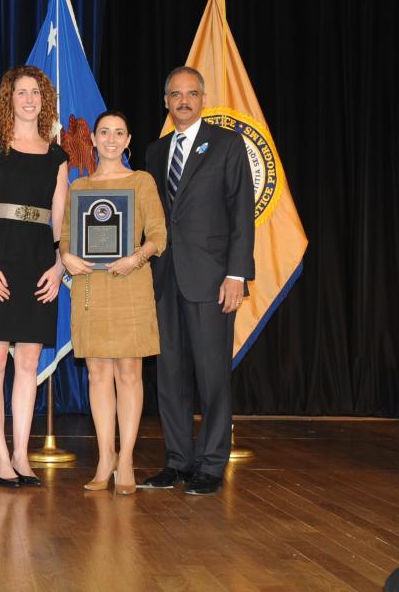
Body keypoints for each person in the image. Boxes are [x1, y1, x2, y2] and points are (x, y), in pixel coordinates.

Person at [142, 66, 255, 495]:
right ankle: (177, 461)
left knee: (211, 376)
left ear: (203, 99)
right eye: (175, 94)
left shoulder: (227, 144)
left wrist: (236, 274)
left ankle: (210, 464)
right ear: (166, 102)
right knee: (169, 375)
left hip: (211, 278)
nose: (183, 101)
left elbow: (242, 213)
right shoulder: (155, 151)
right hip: (163, 278)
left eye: (191, 93)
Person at [60, 111, 166, 495]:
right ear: (93, 139)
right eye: (104, 132)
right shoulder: (79, 186)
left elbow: (158, 234)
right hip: (91, 289)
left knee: (130, 374)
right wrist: (67, 256)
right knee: (98, 374)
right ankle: (105, 457)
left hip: (131, 284)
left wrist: (135, 258)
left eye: (118, 133)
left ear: (128, 140)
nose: (110, 139)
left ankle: (126, 460)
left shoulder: (141, 182)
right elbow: (67, 237)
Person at [0, 66, 69, 488]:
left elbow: (61, 221)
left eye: (35, 92)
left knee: (29, 362)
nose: (28, 99)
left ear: (44, 100)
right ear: (8, 100)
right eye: (20, 92)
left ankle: (20, 453)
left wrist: (60, 264)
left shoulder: (58, 156)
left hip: (38, 263)